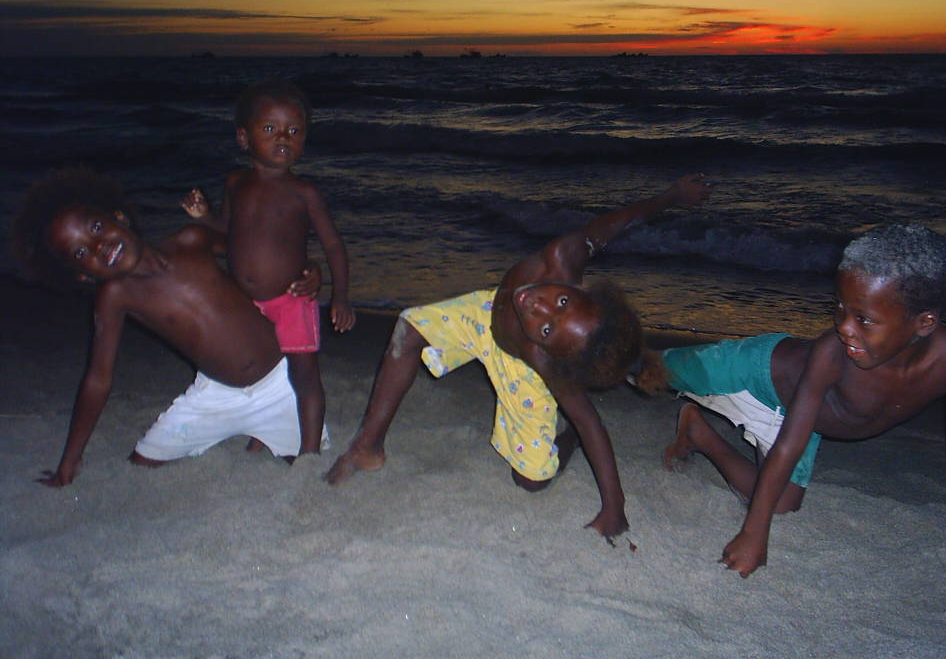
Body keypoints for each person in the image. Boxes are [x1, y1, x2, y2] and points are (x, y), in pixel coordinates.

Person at [325, 175, 711, 541]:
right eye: (562, 301)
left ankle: (566, 441)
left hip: (520, 366)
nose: (538, 306)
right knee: (408, 330)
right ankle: (366, 447)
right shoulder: (562, 256)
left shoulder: (546, 361)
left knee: (531, 480)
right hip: (487, 313)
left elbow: (590, 422)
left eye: (547, 329)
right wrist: (671, 197)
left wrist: (615, 507)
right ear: (581, 288)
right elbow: (618, 222)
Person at [651, 223, 946, 591]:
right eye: (840, 308)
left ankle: (698, 432)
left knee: (782, 503)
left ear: (924, 322)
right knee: (646, 369)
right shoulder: (831, 352)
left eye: (864, 319)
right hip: (752, 371)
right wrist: (753, 533)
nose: (844, 327)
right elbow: (790, 445)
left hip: (801, 415)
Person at [13, 167, 326, 487]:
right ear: (83, 275)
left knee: (306, 459)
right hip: (217, 395)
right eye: (80, 252)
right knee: (141, 463)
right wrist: (71, 459)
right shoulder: (116, 296)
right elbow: (98, 378)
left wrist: (307, 268)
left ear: (119, 217)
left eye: (95, 227)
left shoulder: (191, 240)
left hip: (282, 383)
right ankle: (251, 431)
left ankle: (262, 432)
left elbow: (259, 257)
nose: (98, 246)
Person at [182, 78, 354, 456]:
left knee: (304, 375)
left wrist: (340, 295)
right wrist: (204, 215)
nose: (283, 138)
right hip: (243, 302)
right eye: (270, 128)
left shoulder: (304, 192)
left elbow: (333, 244)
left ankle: (309, 451)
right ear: (244, 138)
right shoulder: (235, 183)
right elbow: (228, 231)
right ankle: (263, 432)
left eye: (294, 130)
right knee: (260, 371)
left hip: (291, 300)